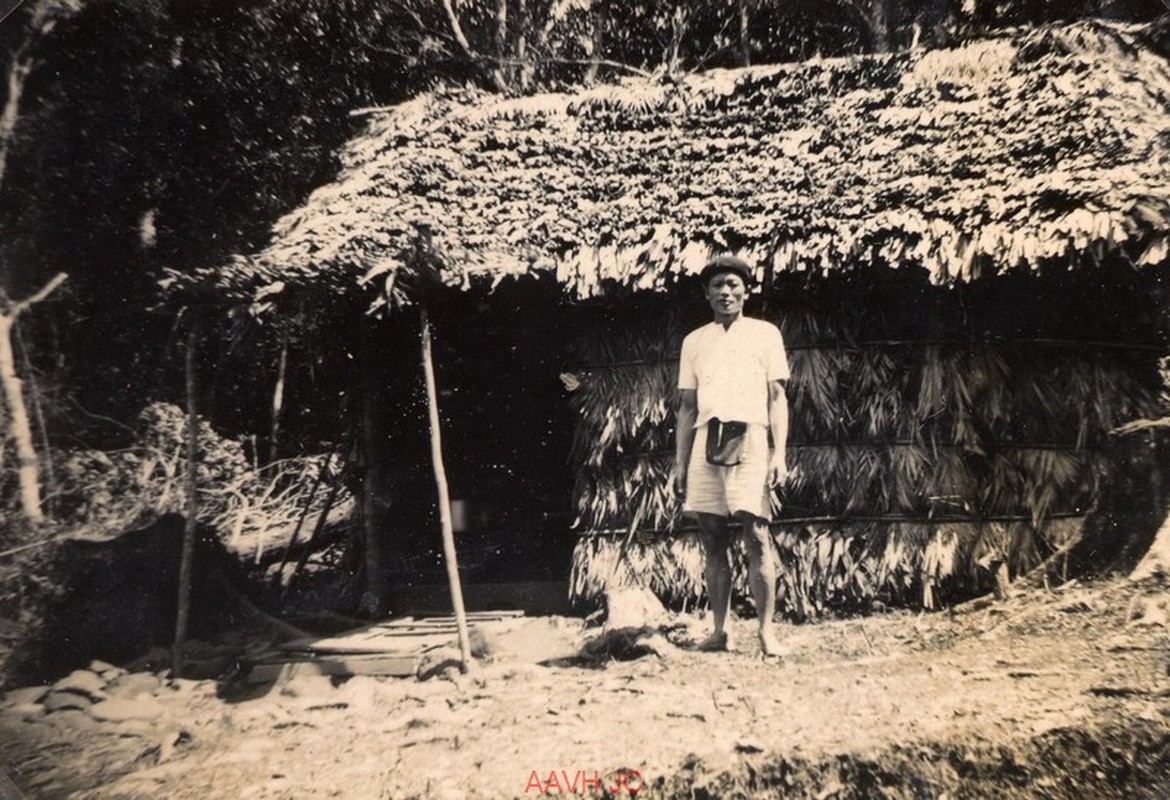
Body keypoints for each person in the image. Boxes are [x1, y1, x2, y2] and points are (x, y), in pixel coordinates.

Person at [674, 255, 790, 656]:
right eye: (717, 286)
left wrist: (780, 455)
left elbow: (777, 398)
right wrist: (679, 462)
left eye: (733, 285)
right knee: (711, 537)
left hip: (752, 439)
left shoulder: (765, 335)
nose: (726, 292)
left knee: (757, 535)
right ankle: (720, 631)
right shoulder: (695, 341)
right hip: (708, 439)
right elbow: (687, 407)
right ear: (706, 294)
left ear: (746, 291)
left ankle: (766, 633)